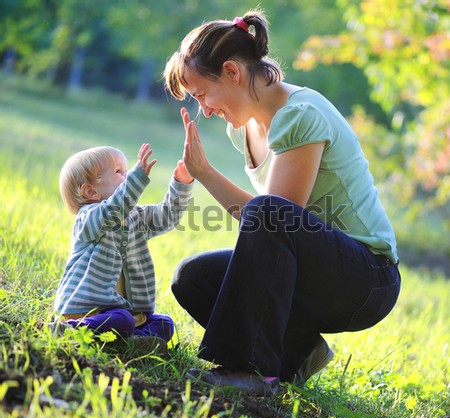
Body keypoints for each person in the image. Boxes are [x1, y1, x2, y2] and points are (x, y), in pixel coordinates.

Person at [163, 9, 401, 395]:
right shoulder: (242, 129)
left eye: (203, 94)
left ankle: (251, 372)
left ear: (232, 72)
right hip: (314, 268)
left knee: (268, 211)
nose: (204, 110)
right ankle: (299, 349)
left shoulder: (300, 115)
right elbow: (270, 235)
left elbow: (274, 219)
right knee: (193, 278)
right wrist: (204, 174)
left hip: (367, 280)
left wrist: (207, 173)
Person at [52, 143, 194, 352]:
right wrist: (138, 177)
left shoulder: (134, 217)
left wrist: (182, 182)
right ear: (90, 191)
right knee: (121, 320)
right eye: (119, 172)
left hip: (124, 311)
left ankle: (132, 342)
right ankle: (70, 329)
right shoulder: (89, 219)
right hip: (89, 311)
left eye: (127, 172)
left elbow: (167, 216)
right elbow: (112, 210)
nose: (128, 177)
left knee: (163, 323)